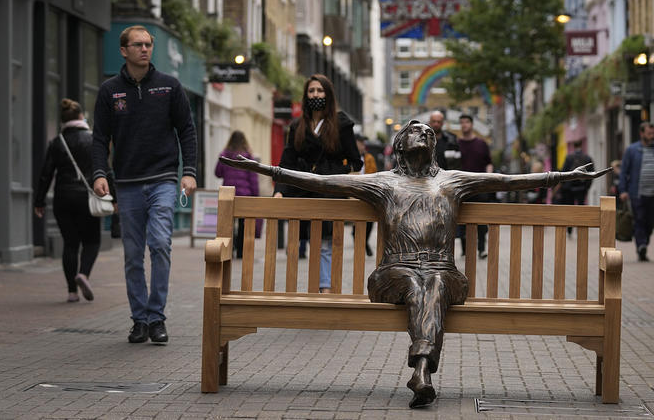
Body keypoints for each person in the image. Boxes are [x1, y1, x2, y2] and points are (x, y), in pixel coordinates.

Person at [220, 120, 608, 408]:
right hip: (393, 275)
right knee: (420, 282)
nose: (423, 133)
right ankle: (423, 370)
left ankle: (421, 370)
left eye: (428, 132)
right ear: (399, 144)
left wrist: (563, 175)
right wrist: (269, 171)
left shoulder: (453, 180)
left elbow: (507, 179)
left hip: (445, 274)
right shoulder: (383, 183)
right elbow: (326, 183)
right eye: (414, 130)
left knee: (434, 282)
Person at [92, 25, 197, 345]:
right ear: (123, 50)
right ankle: (140, 320)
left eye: (148, 44)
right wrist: (98, 173)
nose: (144, 49)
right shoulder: (110, 91)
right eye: (137, 45)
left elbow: (187, 131)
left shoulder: (169, 87)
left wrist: (189, 171)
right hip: (127, 183)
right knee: (133, 254)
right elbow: (99, 138)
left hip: (163, 179)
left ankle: (157, 317)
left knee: (161, 244)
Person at [274, 74, 362, 292]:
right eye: (311, 91)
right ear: (306, 95)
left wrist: (334, 175)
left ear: (328, 94)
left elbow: (355, 162)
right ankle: (309, 290)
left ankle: (324, 289)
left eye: (320, 91)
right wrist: (279, 191)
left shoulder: (341, 124)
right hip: (302, 191)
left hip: (328, 191)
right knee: (303, 242)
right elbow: (286, 164)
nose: (315, 95)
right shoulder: (297, 126)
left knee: (324, 242)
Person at [33, 98, 102, 303]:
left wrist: (39, 201)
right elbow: (105, 170)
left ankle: (72, 292)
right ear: (81, 116)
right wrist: (113, 198)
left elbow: (46, 174)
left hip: (62, 199)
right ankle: (84, 274)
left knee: (70, 244)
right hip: (86, 199)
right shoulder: (93, 140)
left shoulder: (57, 142)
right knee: (92, 241)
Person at [618, 122, 654, 262]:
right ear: (641, 134)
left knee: (650, 222)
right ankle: (641, 246)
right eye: (649, 134)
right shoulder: (632, 150)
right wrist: (623, 190)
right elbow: (624, 171)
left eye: (653, 134)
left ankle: (644, 242)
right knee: (639, 220)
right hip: (637, 193)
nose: (652, 136)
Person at [215, 130, 260, 258]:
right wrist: (255, 195)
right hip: (244, 195)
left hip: (228, 194)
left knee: (228, 222)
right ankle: (240, 251)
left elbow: (217, 172)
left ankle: (229, 250)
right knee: (242, 223)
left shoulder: (225, 155)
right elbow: (253, 178)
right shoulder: (248, 156)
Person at [456, 113, 493, 258]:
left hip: (480, 186)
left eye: (467, 122)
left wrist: (489, 178)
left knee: (481, 219)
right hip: (462, 187)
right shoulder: (456, 144)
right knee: (463, 218)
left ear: (472, 124)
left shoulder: (481, 144)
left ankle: (482, 248)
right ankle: (465, 250)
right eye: (462, 122)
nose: (464, 125)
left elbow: (488, 162)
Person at [354, 134, 377, 256]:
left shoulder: (369, 158)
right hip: (353, 190)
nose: (363, 146)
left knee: (369, 219)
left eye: (363, 144)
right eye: (360, 143)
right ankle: (358, 239)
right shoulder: (350, 158)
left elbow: (373, 171)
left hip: (366, 190)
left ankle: (365, 241)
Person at [557, 138, 594, 208]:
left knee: (571, 207)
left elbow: (563, 171)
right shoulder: (587, 158)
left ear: (573, 146)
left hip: (570, 187)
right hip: (582, 187)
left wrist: (564, 185)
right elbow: (591, 173)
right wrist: (587, 186)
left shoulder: (569, 157)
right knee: (581, 207)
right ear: (581, 145)